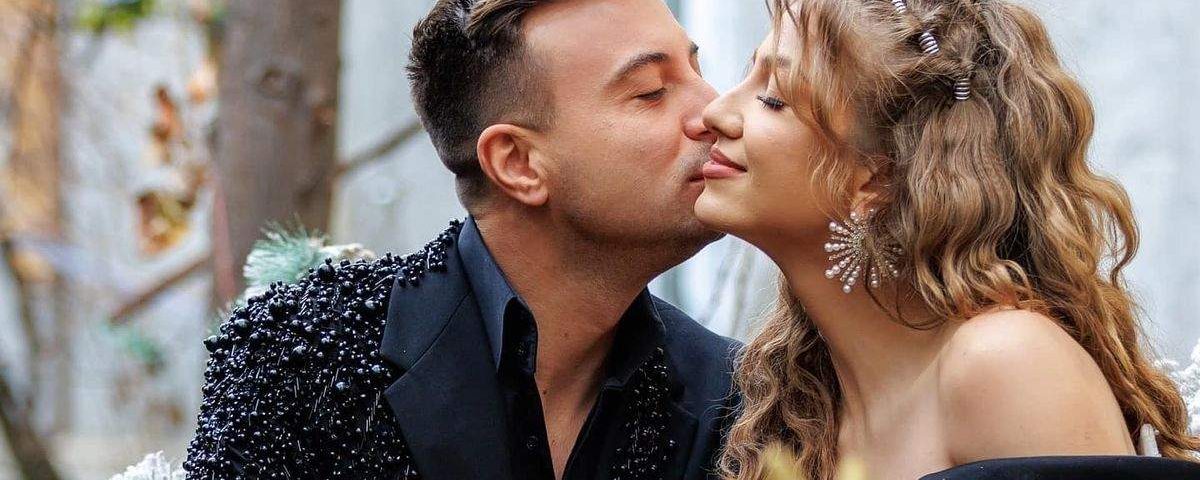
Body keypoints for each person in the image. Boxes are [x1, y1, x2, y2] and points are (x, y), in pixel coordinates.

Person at [183, 1, 739, 479]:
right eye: (650, 92)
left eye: (697, 69)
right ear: (517, 163)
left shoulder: (734, 398)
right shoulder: (300, 354)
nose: (715, 109)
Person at [693, 0, 1200, 479]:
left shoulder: (1006, 363)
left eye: (773, 98)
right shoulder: (798, 405)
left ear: (876, 180)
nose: (715, 112)